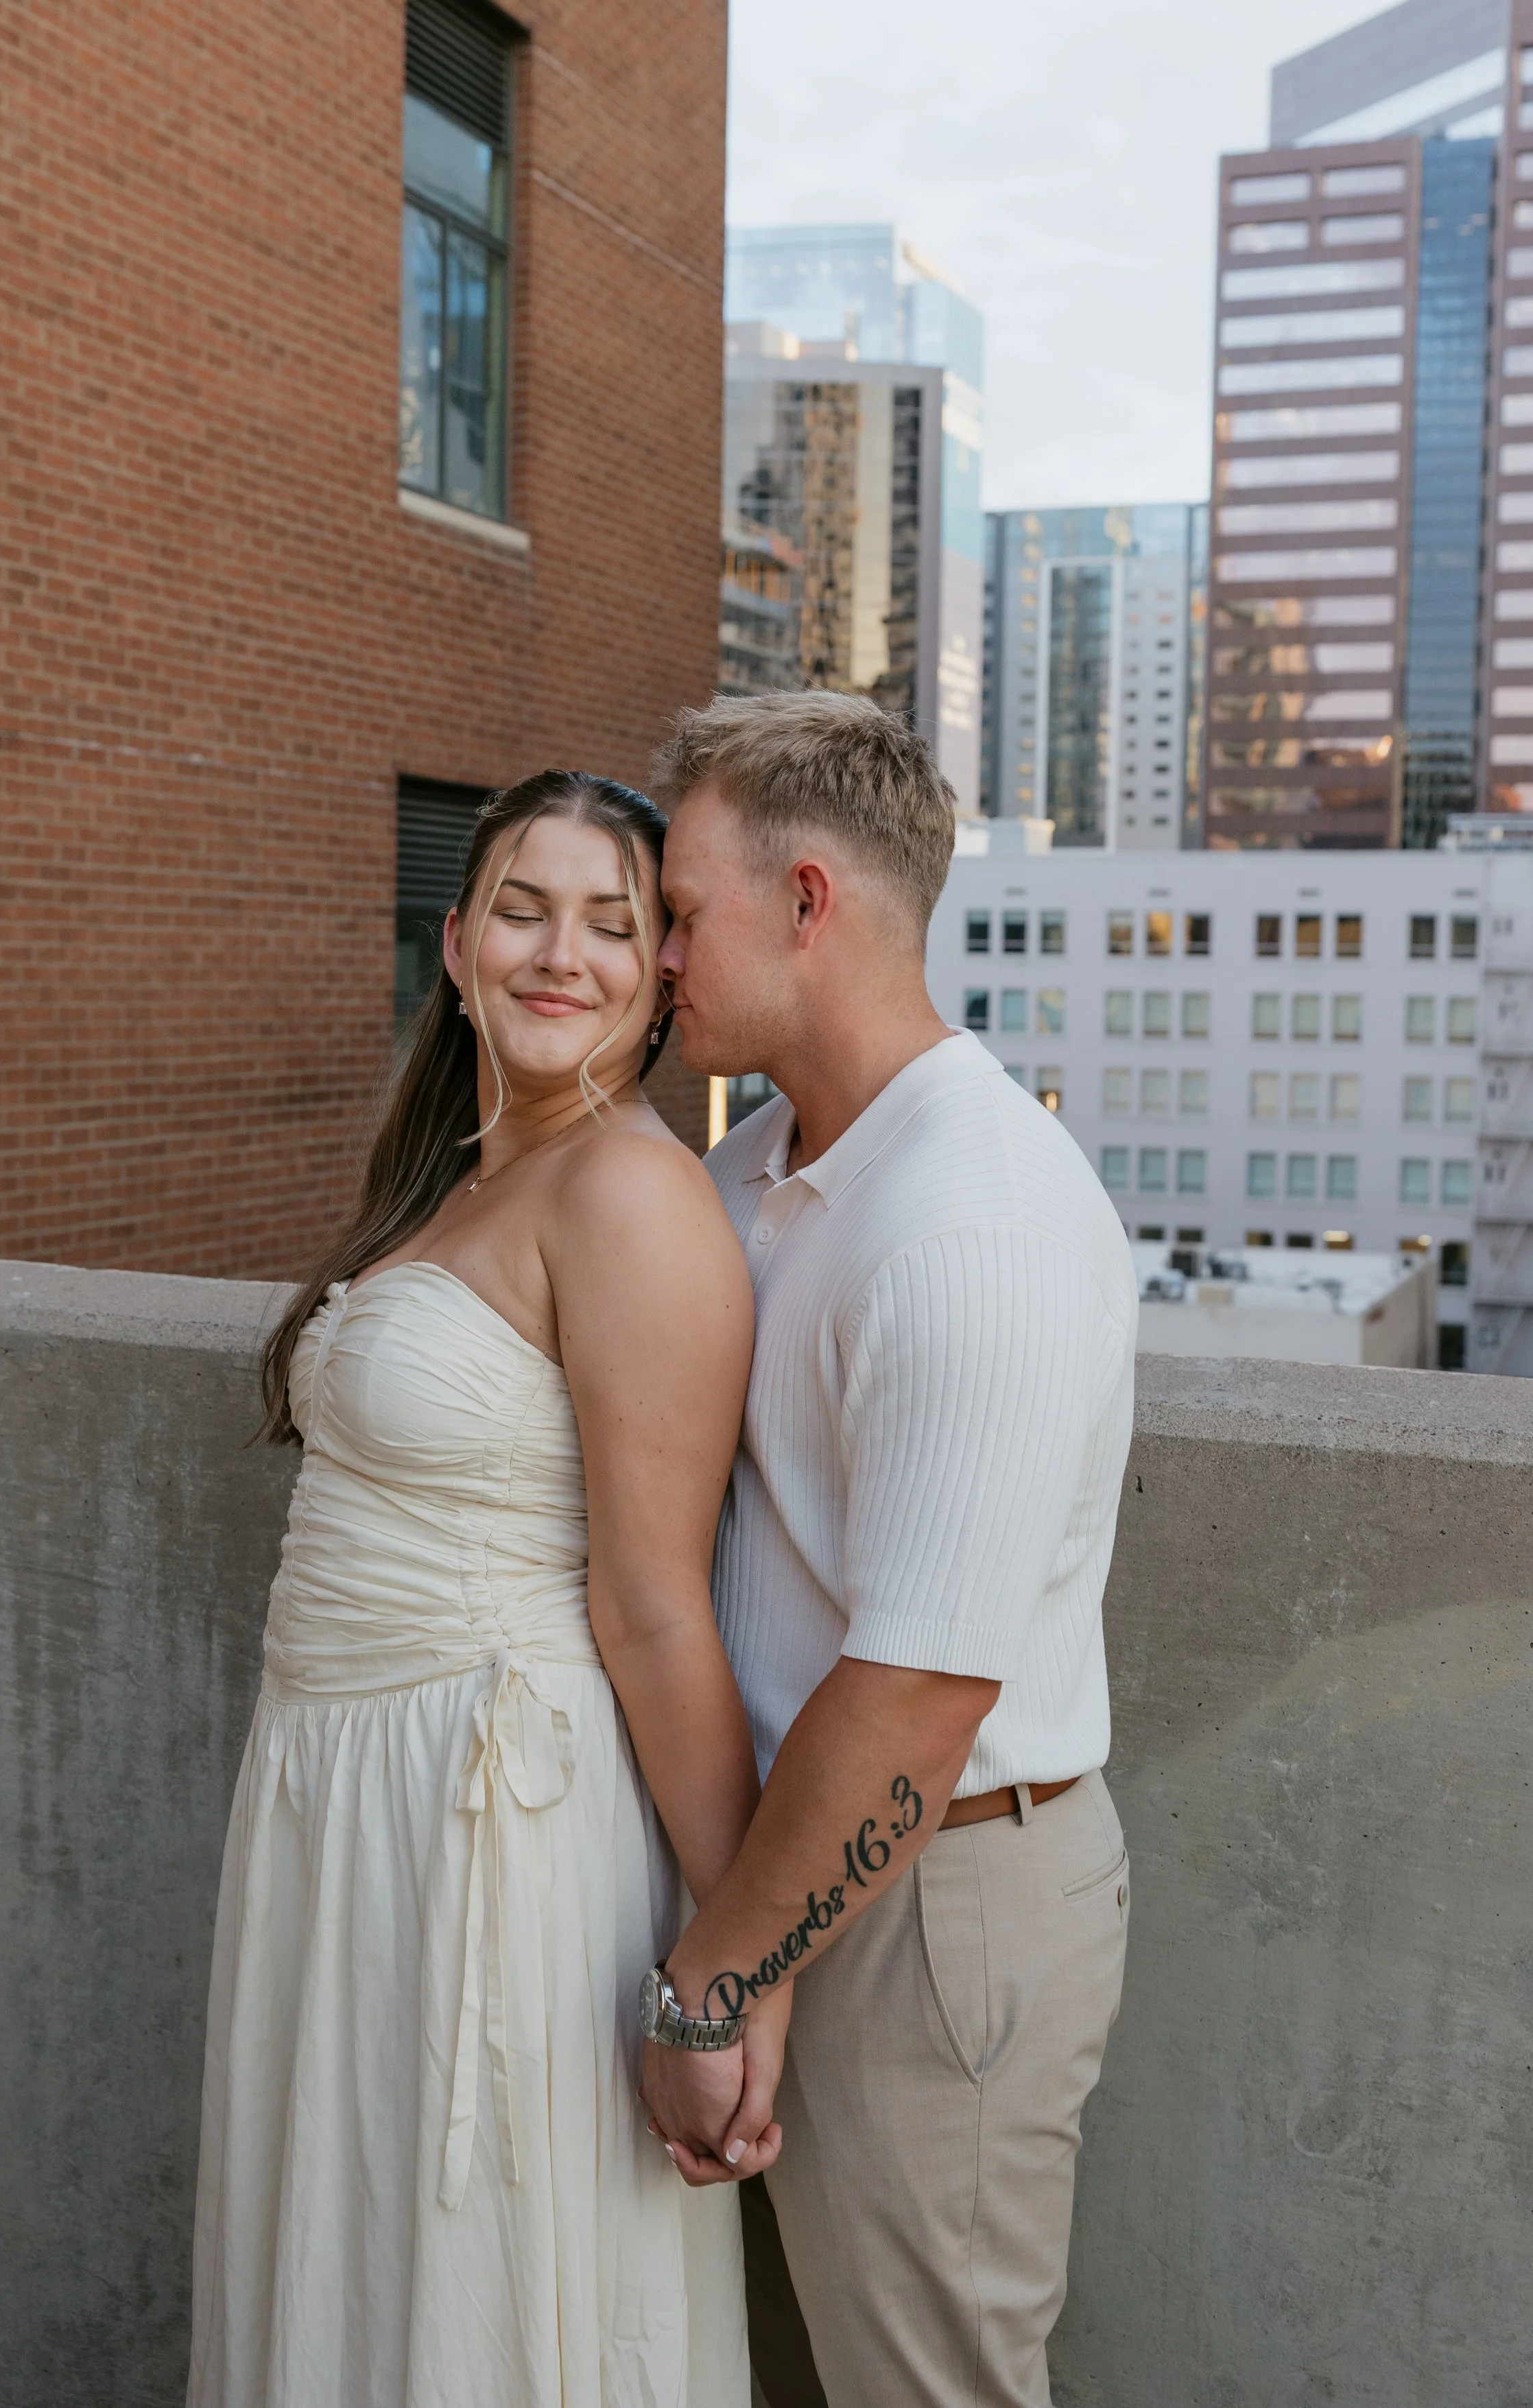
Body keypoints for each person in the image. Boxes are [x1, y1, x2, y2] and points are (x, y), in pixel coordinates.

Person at [187, 770, 781, 2408]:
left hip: (492, 1830)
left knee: (477, 2294)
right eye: (522, 909)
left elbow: (658, 1613)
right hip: (343, 1800)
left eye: (610, 922)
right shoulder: (457, 1180)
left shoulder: (629, 1193)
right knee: (354, 2272)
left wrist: (732, 1974)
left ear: (659, 973)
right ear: (453, 945)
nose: (559, 954)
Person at [639, 693, 1139, 2408]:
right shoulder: (765, 1165)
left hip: (936, 1905)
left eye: (678, 908)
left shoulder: (970, 1225)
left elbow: (920, 1695)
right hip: (804, 1873)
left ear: (805, 900)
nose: (652, 952)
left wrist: (716, 1982)